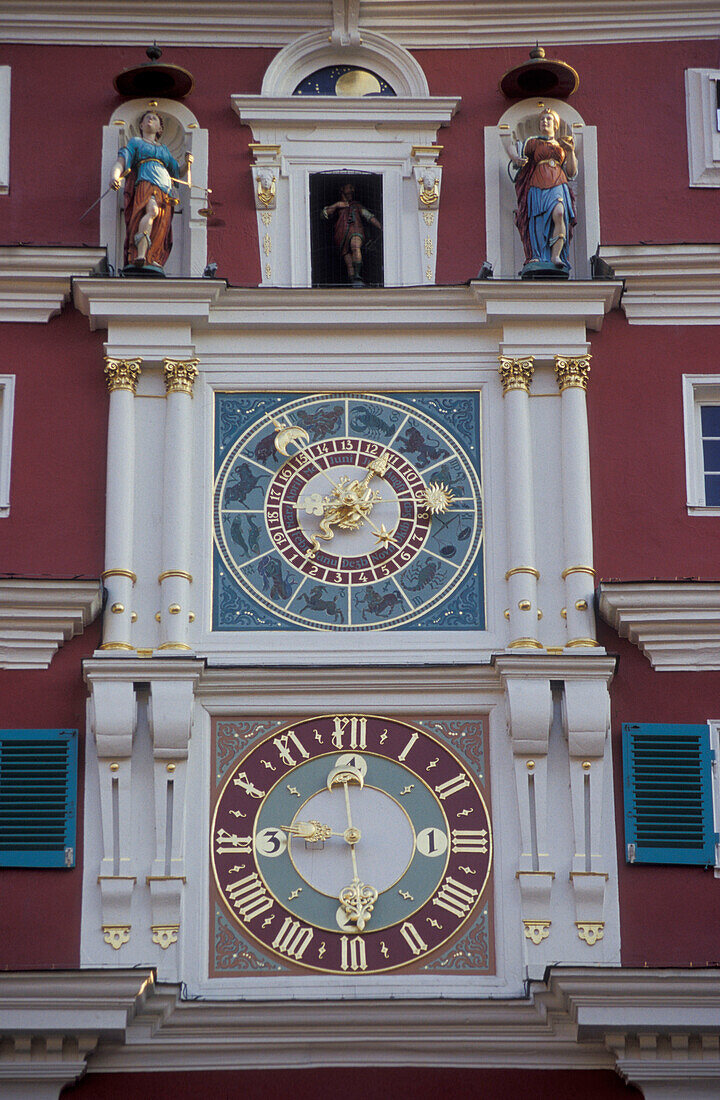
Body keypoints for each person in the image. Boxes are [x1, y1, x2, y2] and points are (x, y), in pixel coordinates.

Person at [109, 109, 190, 273]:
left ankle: (151, 257)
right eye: (147, 118)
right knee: (152, 212)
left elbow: (177, 172)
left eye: (154, 119)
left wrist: (187, 164)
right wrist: (115, 176)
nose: (150, 120)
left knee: (161, 223)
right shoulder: (136, 142)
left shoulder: (164, 150)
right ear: (141, 125)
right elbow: (122, 160)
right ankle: (140, 253)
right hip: (146, 183)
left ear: (160, 129)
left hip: (165, 189)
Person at [502, 107, 578, 272]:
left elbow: (571, 172)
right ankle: (537, 254)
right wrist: (516, 158)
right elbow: (514, 149)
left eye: (549, 119)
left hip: (558, 181)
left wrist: (570, 151)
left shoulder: (561, 145)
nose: (545, 122)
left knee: (559, 213)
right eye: (542, 119)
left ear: (555, 125)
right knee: (538, 220)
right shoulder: (533, 142)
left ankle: (556, 255)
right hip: (537, 184)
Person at [322, 182, 382, 287]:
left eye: (352, 188)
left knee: (355, 246)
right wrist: (337, 205)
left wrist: (381, 227)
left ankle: (358, 275)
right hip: (341, 234)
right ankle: (354, 282)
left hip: (356, 229)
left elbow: (368, 216)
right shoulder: (338, 206)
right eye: (349, 188)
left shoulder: (356, 205)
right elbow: (324, 214)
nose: (352, 190)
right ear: (342, 189)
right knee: (348, 260)